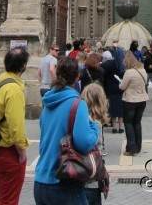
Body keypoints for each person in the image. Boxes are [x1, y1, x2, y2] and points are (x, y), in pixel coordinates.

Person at [34, 56, 99, 204]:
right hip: (63, 181)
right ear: (77, 76)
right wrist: (94, 126)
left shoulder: (48, 102)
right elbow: (84, 143)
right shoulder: (77, 104)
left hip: (41, 180)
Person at [0, 47, 31, 205]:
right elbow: (16, 128)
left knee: (1, 196)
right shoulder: (14, 89)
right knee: (9, 200)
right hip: (8, 150)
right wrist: (22, 153)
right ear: (23, 66)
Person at [81, 83, 110, 205]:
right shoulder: (94, 123)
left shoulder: (79, 118)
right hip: (90, 180)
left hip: (80, 177)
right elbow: (96, 151)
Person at [119, 50, 148, 156]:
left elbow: (122, 86)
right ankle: (138, 146)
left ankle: (131, 148)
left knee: (128, 123)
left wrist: (120, 83)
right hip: (142, 99)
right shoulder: (143, 70)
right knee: (137, 123)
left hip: (131, 100)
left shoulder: (128, 72)